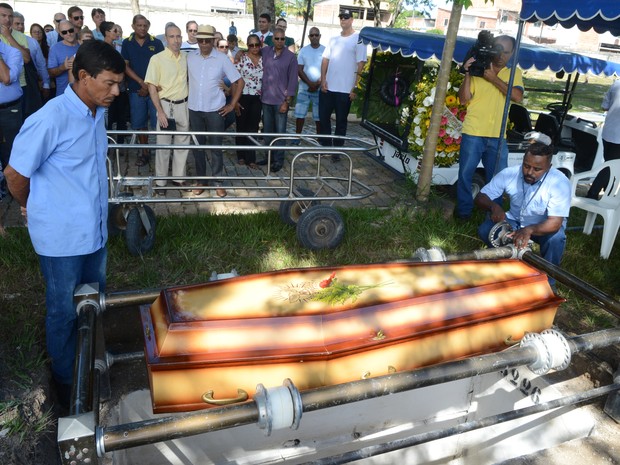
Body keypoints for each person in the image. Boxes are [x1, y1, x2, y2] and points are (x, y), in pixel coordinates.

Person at [4, 40, 125, 407]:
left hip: (94, 233)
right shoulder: (49, 118)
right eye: (109, 83)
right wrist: (34, 206)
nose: (116, 92)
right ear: (84, 77)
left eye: (119, 83)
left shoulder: (95, 111)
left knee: (93, 302)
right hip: (61, 238)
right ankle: (65, 382)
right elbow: (15, 174)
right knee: (62, 309)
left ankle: (90, 361)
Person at [475, 142, 570, 288]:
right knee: (485, 230)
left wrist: (529, 230)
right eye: (526, 166)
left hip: (542, 226)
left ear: (549, 167)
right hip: (514, 221)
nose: (529, 172)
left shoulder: (559, 182)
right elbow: (481, 197)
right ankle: (508, 262)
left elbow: (555, 223)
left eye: (537, 169)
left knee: (556, 238)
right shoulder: (510, 173)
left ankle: (548, 281)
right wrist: (494, 206)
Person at [455, 34, 524, 220]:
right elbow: (463, 99)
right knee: (465, 175)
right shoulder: (480, 69)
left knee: (499, 179)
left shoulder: (514, 73)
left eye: (506, 52)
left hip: (498, 135)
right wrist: (468, 73)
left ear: (512, 53)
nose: (501, 56)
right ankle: (463, 214)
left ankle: (494, 214)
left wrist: (493, 78)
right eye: (498, 50)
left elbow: (517, 97)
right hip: (474, 132)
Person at [187, 25, 243, 198]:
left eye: (207, 40)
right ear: (197, 41)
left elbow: (239, 82)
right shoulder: (189, 57)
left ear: (213, 41)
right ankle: (202, 180)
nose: (203, 43)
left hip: (215, 110)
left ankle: (218, 181)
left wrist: (232, 104)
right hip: (194, 109)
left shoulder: (222, 58)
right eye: (200, 40)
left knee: (216, 147)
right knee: (198, 147)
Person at [145, 22, 191, 196]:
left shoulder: (187, 57)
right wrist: (160, 111)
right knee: (163, 145)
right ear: (166, 39)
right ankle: (161, 181)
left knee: (183, 143)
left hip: (184, 105)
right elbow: (151, 86)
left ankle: (179, 178)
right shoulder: (157, 59)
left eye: (179, 36)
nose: (176, 40)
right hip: (165, 105)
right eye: (172, 36)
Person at [319, 9, 366, 160]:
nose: (343, 20)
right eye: (341, 17)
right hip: (329, 87)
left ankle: (337, 151)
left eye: (346, 17)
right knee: (323, 117)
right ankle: (326, 146)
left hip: (345, 89)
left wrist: (355, 87)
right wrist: (323, 79)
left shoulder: (358, 39)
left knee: (341, 122)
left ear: (352, 19)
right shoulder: (333, 39)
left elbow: (361, 64)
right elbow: (325, 60)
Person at [121, 14, 164, 166]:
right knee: (139, 123)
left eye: (145, 25)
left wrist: (149, 86)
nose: (142, 28)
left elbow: (162, 67)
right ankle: (144, 152)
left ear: (148, 26)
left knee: (159, 122)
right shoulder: (127, 43)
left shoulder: (156, 43)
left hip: (155, 90)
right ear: (133, 26)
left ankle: (162, 154)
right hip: (135, 90)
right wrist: (141, 83)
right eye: (139, 25)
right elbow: (125, 66)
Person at [257, 27, 297, 173]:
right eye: (277, 38)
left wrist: (287, 101)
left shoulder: (291, 57)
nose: (280, 41)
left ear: (284, 40)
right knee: (268, 131)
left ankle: (278, 160)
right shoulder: (266, 52)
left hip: (281, 101)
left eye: (282, 39)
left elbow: (293, 81)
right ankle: (268, 157)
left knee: (280, 133)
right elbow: (252, 52)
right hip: (266, 99)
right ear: (272, 39)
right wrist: (239, 53)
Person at [0, 39, 23, 215]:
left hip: (9, 110)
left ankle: (15, 190)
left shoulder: (12, 53)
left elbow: (6, 78)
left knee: (12, 152)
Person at [235, 33, 262, 168]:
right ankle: (240, 155)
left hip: (257, 97)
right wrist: (235, 101)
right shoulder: (242, 59)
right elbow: (235, 81)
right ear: (247, 46)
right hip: (243, 96)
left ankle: (251, 158)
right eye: (251, 45)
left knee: (253, 127)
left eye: (257, 44)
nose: (254, 47)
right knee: (241, 126)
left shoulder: (264, 59)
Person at [13, 11, 49, 114]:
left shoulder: (32, 42)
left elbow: (41, 64)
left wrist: (46, 84)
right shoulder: (4, 40)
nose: (20, 27)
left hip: (30, 85)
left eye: (22, 24)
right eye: (17, 24)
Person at [294, 27, 324, 140]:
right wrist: (310, 84)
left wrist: (317, 83)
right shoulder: (303, 50)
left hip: (320, 86)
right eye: (312, 35)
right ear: (309, 37)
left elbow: (327, 69)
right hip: (304, 86)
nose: (314, 37)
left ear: (320, 36)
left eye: (316, 35)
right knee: (300, 114)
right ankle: (297, 137)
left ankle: (319, 138)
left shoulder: (325, 50)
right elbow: (299, 69)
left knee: (318, 116)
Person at [102, 21, 129, 140]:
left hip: (121, 87)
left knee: (121, 117)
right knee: (108, 117)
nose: (117, 33)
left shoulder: (119, 47)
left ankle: (121, 145)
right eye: (115, 30)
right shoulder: (100, 48)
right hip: (106, 88)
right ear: (107, 32)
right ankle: (106, 145)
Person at [47, 19, 79, 96]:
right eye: (64, 32)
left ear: (74, 30)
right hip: (63, 94)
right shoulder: (55, 48)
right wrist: (63, 67)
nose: (68, 34)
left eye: (70, 30)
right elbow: (50, 73)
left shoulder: (82, 45)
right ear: (60, 34)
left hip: (84, 94)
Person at [601, 79, 620, 161]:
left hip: (608, 132)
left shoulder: (615, 84)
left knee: (608, 163)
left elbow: (604, 107)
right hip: (617, 137)